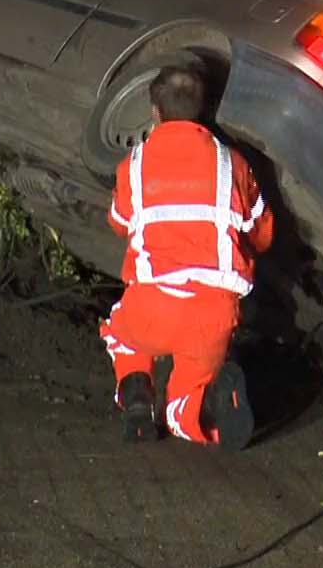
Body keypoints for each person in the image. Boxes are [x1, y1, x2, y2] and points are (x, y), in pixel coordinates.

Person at [98, 64, 273, 449]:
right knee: (182, 406)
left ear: (155, 111)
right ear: (204, 107)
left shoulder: (134, 165)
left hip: (152, 307)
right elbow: (263, 233)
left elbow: (119, 222)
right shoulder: (234, 164)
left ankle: (138, 403)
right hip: (213, 315)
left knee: (119, 332)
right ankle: (210, 405)